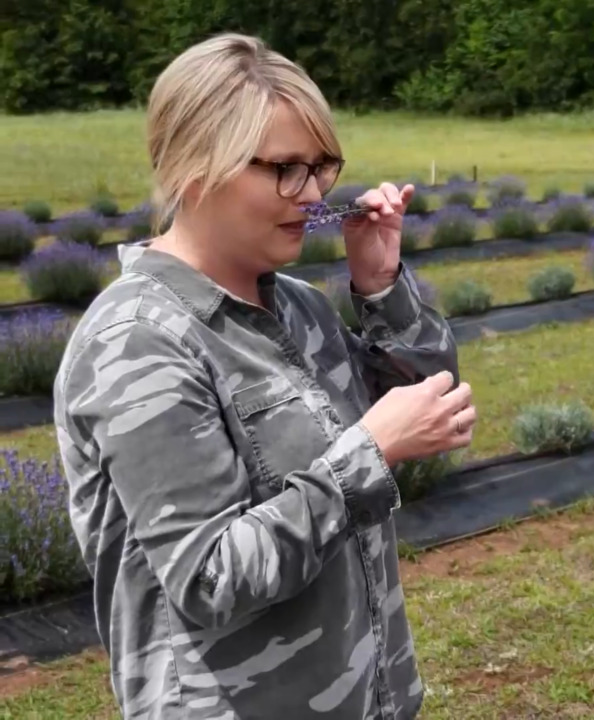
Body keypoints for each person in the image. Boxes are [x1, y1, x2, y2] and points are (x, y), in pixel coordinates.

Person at [52, 33, 473, 719]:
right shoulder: (138, 343)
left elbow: (429, 404)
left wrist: (381, 287)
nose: (311, 196)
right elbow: (209, 578)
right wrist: (368, 454)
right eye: (285, 169)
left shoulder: (297, 306)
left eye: (320, 168)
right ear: (196, 167)